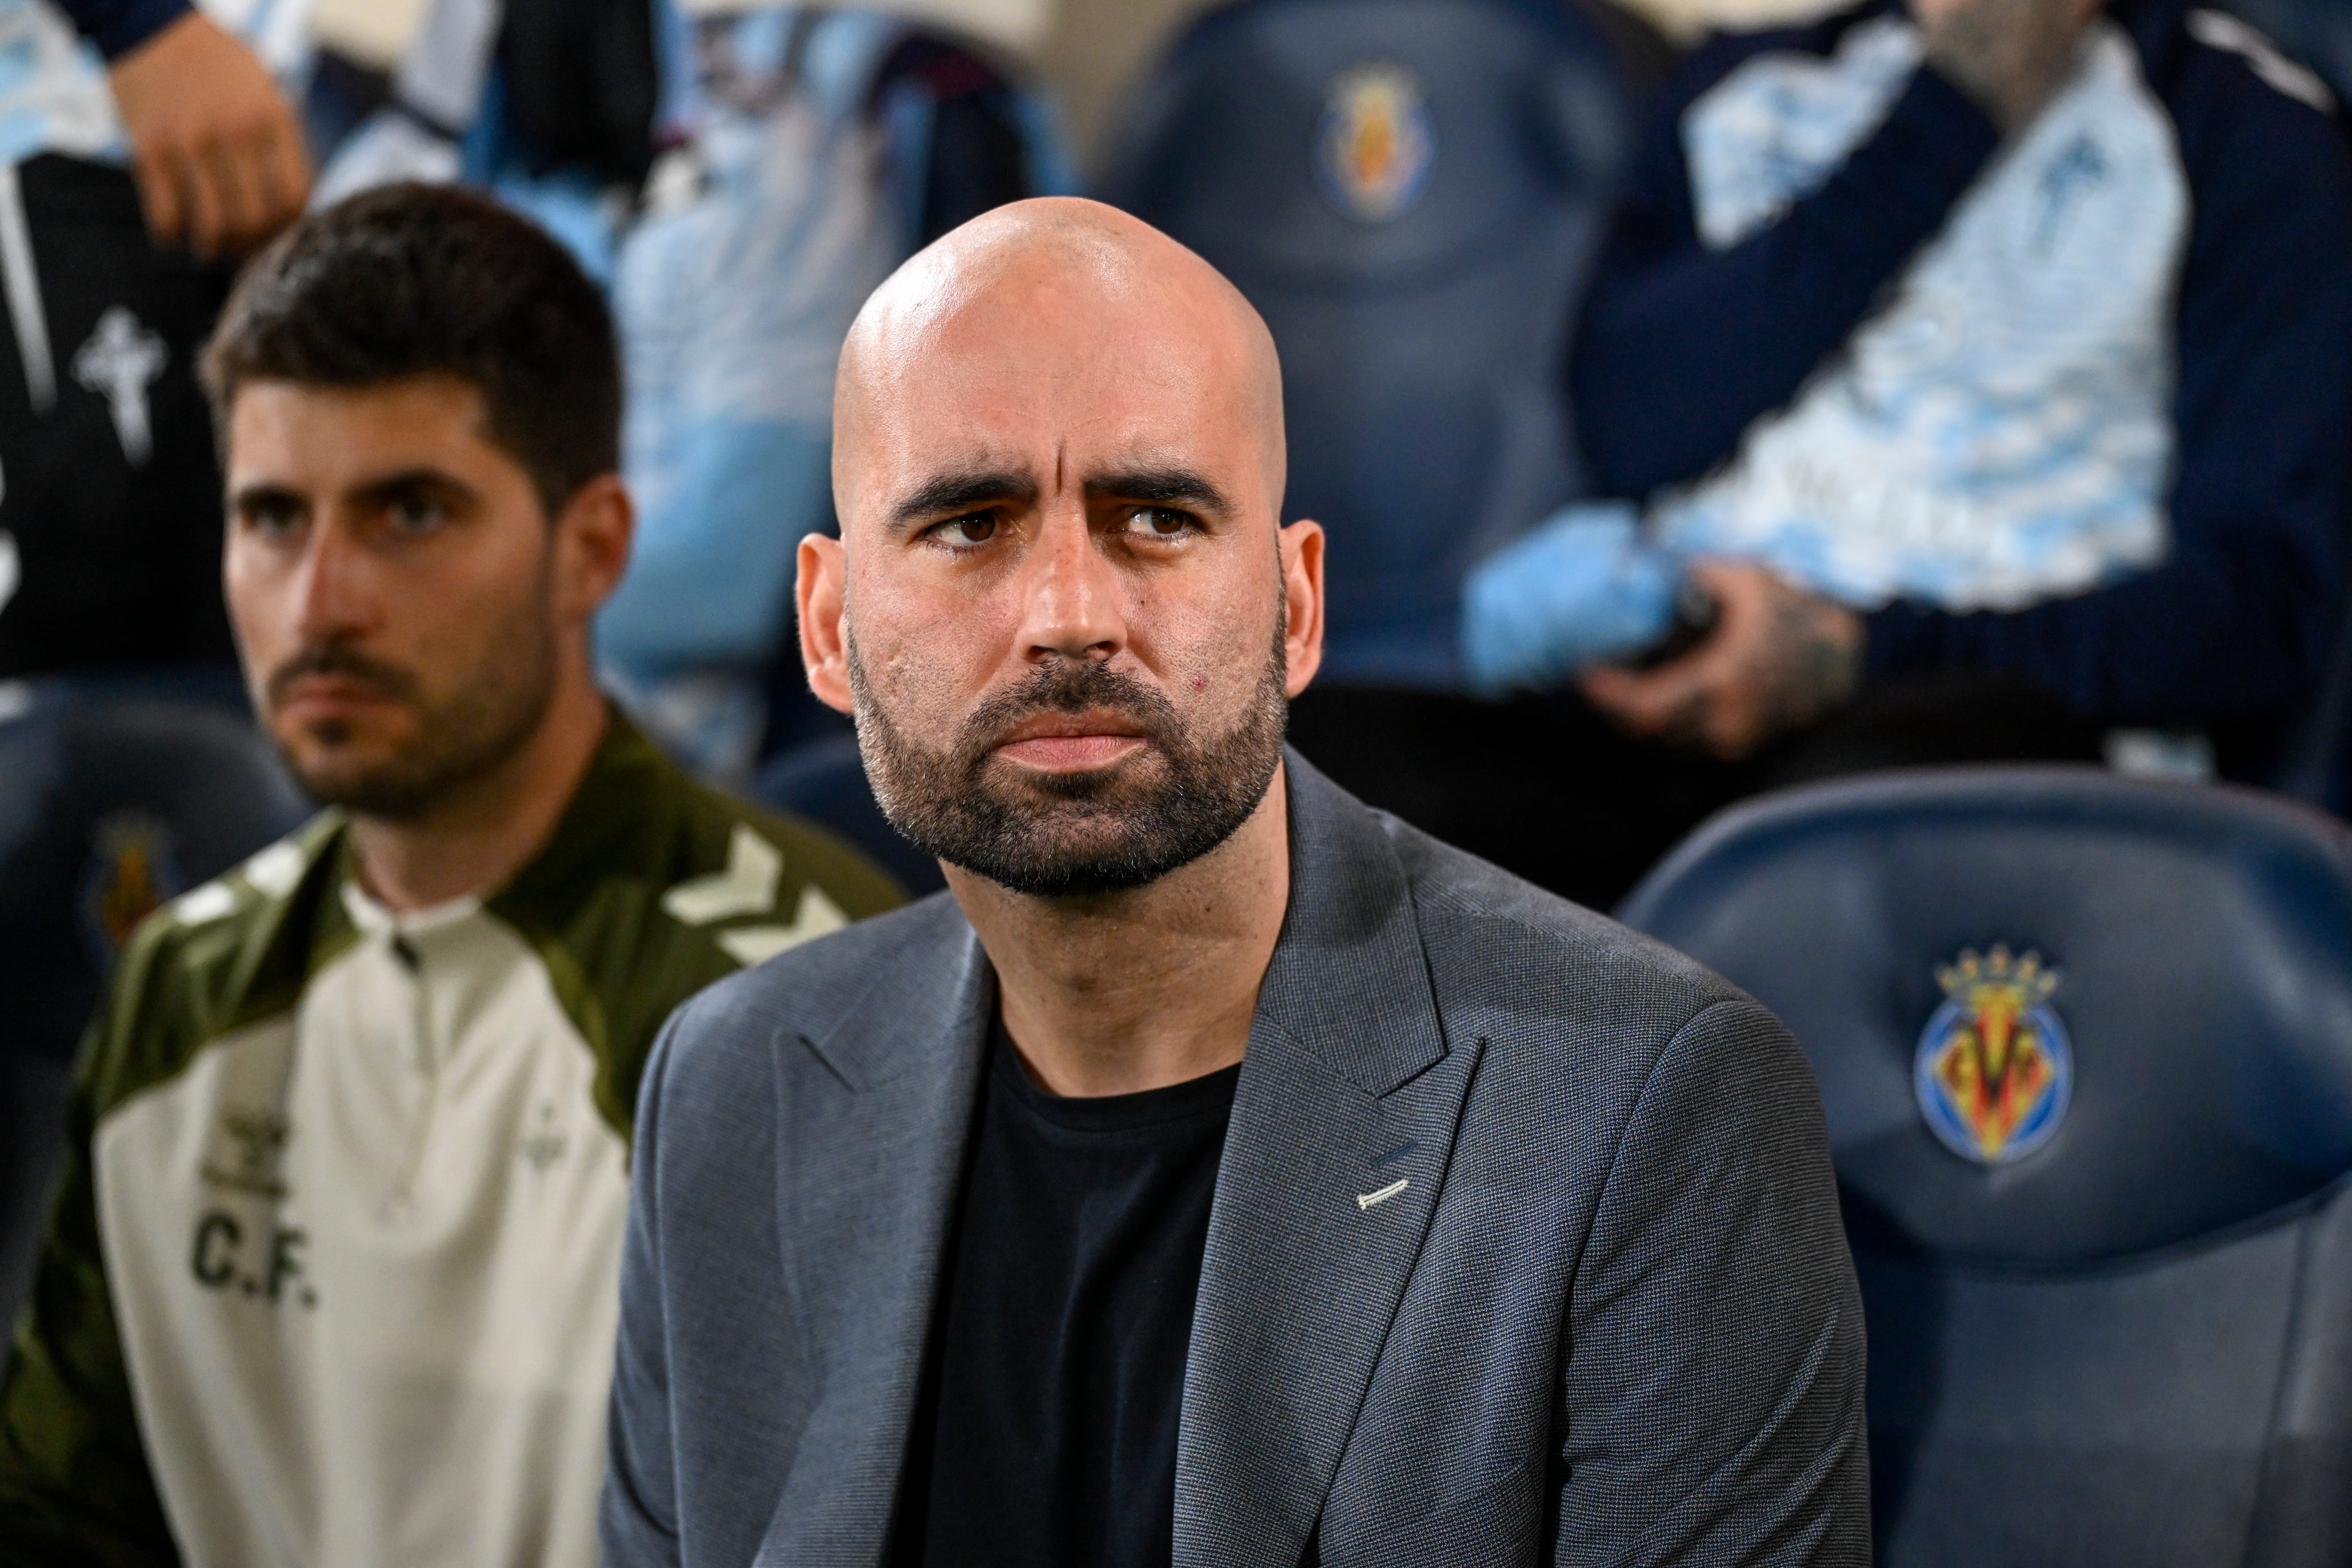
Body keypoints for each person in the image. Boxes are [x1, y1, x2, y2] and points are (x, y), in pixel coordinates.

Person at [600, 197, 1867, 1567]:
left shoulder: (1651, 1107)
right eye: (970, 523)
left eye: (1157, 515)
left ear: (1297, 604)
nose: (1069, 612)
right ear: (829, 628)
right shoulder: (730, 1089)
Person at [0, 184, 903, 1566]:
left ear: (589, 547)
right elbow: (67, 1519)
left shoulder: (808, 999)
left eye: (409, 512)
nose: (320, 601)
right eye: (271, 517)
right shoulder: (183, 987)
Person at [1360, 0, 2352, 910]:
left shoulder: (2244, 127)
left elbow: (2256, 611)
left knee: (1817, 849)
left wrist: (1856, 654)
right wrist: (1953, 106)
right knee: (1310, 792)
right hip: (1672, 708)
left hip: (1988, 724)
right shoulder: (1747, 90)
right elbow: (1632, 433)